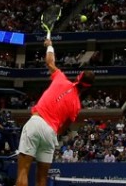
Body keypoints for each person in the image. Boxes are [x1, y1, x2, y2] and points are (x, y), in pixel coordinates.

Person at [16, 38, 95, 186]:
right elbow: (64, 127)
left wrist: (50, 46)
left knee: (23, 171)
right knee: (42, 180)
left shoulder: (61, 78)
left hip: (36, 123)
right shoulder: (76, 106)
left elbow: (50, 63)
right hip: (50, 133)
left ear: (78, 77)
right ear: (87, 88)